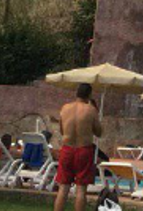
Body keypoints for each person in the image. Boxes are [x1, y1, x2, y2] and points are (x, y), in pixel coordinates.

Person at [53, 83, 102, 211]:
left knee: (63, 188)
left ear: (76, 93)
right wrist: (96, 112)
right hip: (84, 149)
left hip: (67, 149)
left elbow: (62, 130)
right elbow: (99, 132)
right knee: (81, 190)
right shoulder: (91, 110)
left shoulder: (65, 108)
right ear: (90, 95)